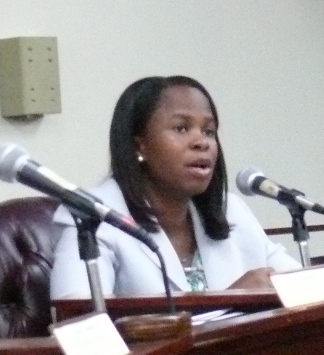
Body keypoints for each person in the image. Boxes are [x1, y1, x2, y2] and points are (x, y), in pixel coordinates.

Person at [50, 75, 301, 299]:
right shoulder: (93, 217)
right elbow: (80, 324)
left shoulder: (231, 211)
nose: (201, 142)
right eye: (181, 128)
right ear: (140, 146)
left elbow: (305, 286)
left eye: (209, 131)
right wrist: (230, 300)